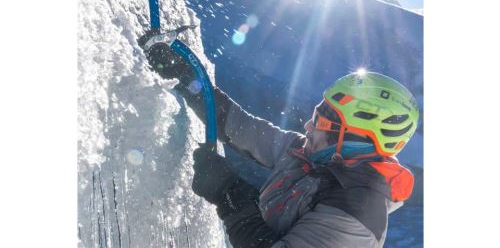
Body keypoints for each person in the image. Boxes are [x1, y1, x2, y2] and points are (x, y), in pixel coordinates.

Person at [139, 33, 419, 248]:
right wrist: (189, 79)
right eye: (316, 114)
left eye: (322, 121)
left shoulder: (357, 212)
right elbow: (242, 128)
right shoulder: (308, 155)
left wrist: (228, 191)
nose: (309, 125)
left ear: (354, 141)